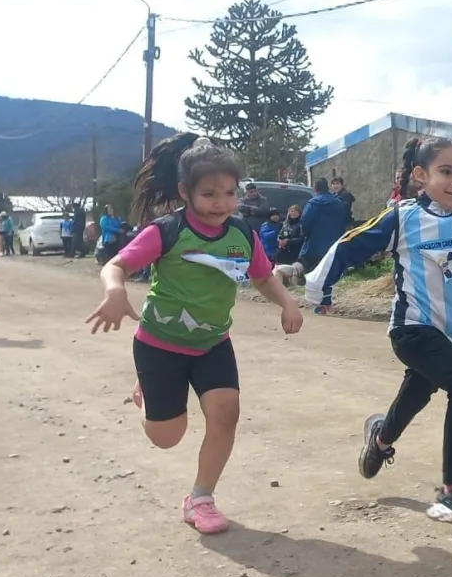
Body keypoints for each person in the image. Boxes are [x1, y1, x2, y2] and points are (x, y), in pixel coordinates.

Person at [85, 133, 303, 535]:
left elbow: (262, 278)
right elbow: (115, 265)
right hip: (159, 346)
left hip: (212, 344)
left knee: (226, 414)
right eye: (209, 194)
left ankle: (201, 498)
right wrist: (115, 291)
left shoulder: (242, 235)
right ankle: (150, 389)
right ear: (186, 192)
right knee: (167, 437)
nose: (220, 203)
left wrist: (287, 302)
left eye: (228, 193)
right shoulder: (166, 230)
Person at [305, 137, 452, 525]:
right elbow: (349, 246)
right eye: (446, 172)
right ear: (422, 176)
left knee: (418, 392)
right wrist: (319, 288)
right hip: (411, 329)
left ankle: (380, 439)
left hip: (451, 337)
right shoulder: (403, 216)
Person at [299, 177, 349, 273]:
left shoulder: (313, 204)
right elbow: (344, 220)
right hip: (333, 243)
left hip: (314, 245)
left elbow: (305, 221)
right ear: (327, 188)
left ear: (315, 189)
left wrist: (305, 234)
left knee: (311, 271)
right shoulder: (338, 203)